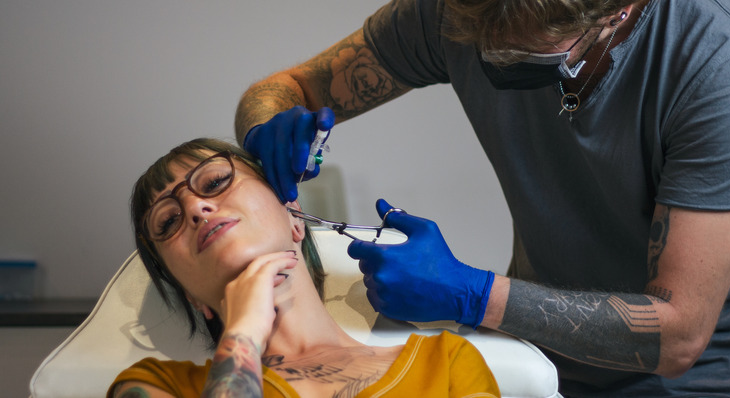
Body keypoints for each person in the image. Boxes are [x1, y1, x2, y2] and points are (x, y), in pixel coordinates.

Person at [234, 0, 730, 396]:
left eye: (519, 58)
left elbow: (679, 334)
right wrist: (268, 122)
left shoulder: (725, 64)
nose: (489, 59)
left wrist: (472, 295)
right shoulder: (459, 0)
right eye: (479, 44)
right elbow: (290, 88)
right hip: (534, 350)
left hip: (690, 376)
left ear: (613, 13)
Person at [107, 138, 500, 398]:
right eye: (168, 222)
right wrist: (243, 332)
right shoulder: (154, 386)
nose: (195, 208)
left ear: (293, 214)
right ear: (189, 294)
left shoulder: (446, 361)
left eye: (215, 182)